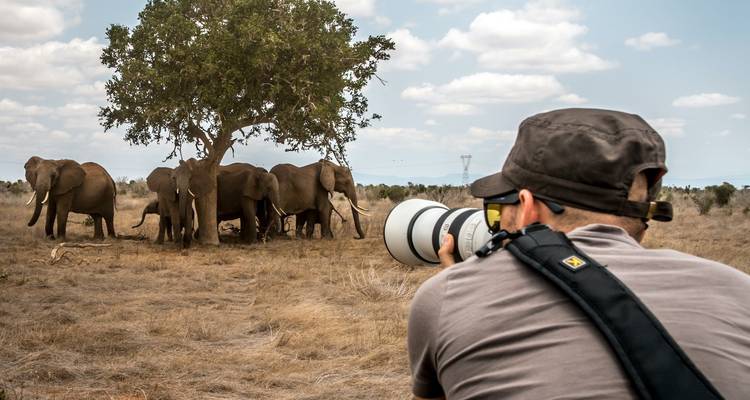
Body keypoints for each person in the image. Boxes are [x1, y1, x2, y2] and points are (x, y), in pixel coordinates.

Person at [407, 108, 750, 399]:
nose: (495, 224)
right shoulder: (738, 290)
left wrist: (457, 286)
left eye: (497, 211)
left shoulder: (445, 298)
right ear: (643, 217)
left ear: (527, 209)